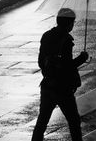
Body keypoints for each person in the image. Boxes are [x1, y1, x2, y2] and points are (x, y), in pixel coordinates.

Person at [32, 8, 89, 141]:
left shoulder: (46, 36)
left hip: (47, 85)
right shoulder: (66, 40)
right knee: (74, 121)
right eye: (73, 22)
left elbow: (41, 62)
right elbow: (67, 66)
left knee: (42, 121)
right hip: (62, 88)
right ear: (69, 23)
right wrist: (82, 58)